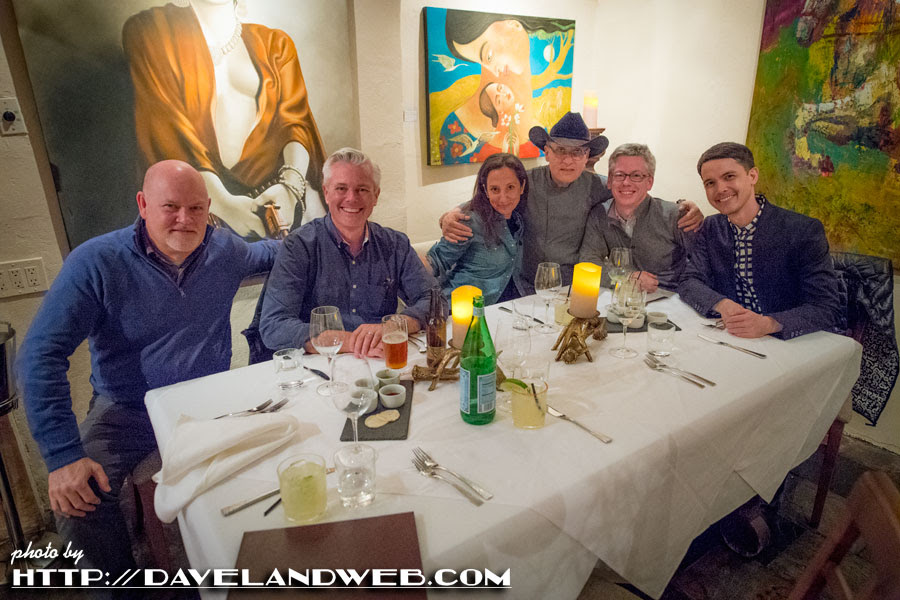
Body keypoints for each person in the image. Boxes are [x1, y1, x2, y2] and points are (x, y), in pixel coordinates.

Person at [15, 160, 278, 579]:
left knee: (276, 463)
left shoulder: (225, 251)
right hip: (126, 411)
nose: (184, 219)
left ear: (208, 209)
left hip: (209, 403)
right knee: (77, 504)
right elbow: (39, 355)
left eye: (196, 209)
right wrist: (63, 456)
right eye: (170, 206)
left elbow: (275, 252)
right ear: (142, 204)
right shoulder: (96, 262)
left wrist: (332, 230)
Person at [122, 0, 327, 240]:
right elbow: (167, 127)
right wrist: (222, 203)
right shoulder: (150, 31)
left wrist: (290, 189)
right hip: (201, 214)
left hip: (281, 207)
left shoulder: (276, 44)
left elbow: (295, 123)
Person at [441, 112, 705, 295]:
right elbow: (489, 198)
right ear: (547, 151)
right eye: (560, 150)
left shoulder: (600, 186)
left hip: (572, 288)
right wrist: (449, 215)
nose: (568, 160)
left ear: (587, 155)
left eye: (577, 152)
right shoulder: (525, 182)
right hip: (524, 286)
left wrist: (684, 205)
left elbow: (634, 190)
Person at [260, 148, 436, 357]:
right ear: (326, 193)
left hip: (380, 361)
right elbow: (274, 325)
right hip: (321, 365)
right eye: (341, 188)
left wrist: (395, 325)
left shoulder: (395, 244)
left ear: (376, 196)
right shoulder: (298, 246)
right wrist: (352, 341)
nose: (351, 198)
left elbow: (434, 300)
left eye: (362, 189)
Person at [679, 142, 841, 339]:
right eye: (710, 183)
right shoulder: (712, 226)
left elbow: (826, 307)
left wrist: (769, 323)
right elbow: (689, 281)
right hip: (732, 336)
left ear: (753, 176)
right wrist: (722, 304)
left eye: (729, 177)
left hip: (787, 341)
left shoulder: (803, 230)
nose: (720, 189)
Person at [580, 143, 696, 292]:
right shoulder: (599, 214)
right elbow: (589, 263)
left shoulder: (675, 216)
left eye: (636, 176)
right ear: (609, 181)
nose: (626, 182)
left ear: (649, 182)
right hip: (622, 298)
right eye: (619, 175)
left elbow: (702, 264)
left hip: (671, 298)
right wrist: (626, 278)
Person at [427, 153, 528, 305]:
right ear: (485, 191)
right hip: (465, 308)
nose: (503, 198)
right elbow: (436, 261)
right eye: (495, 189)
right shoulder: (470, 221)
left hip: (504, 308)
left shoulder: (519, 218)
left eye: (510, 187)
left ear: (522, 187)